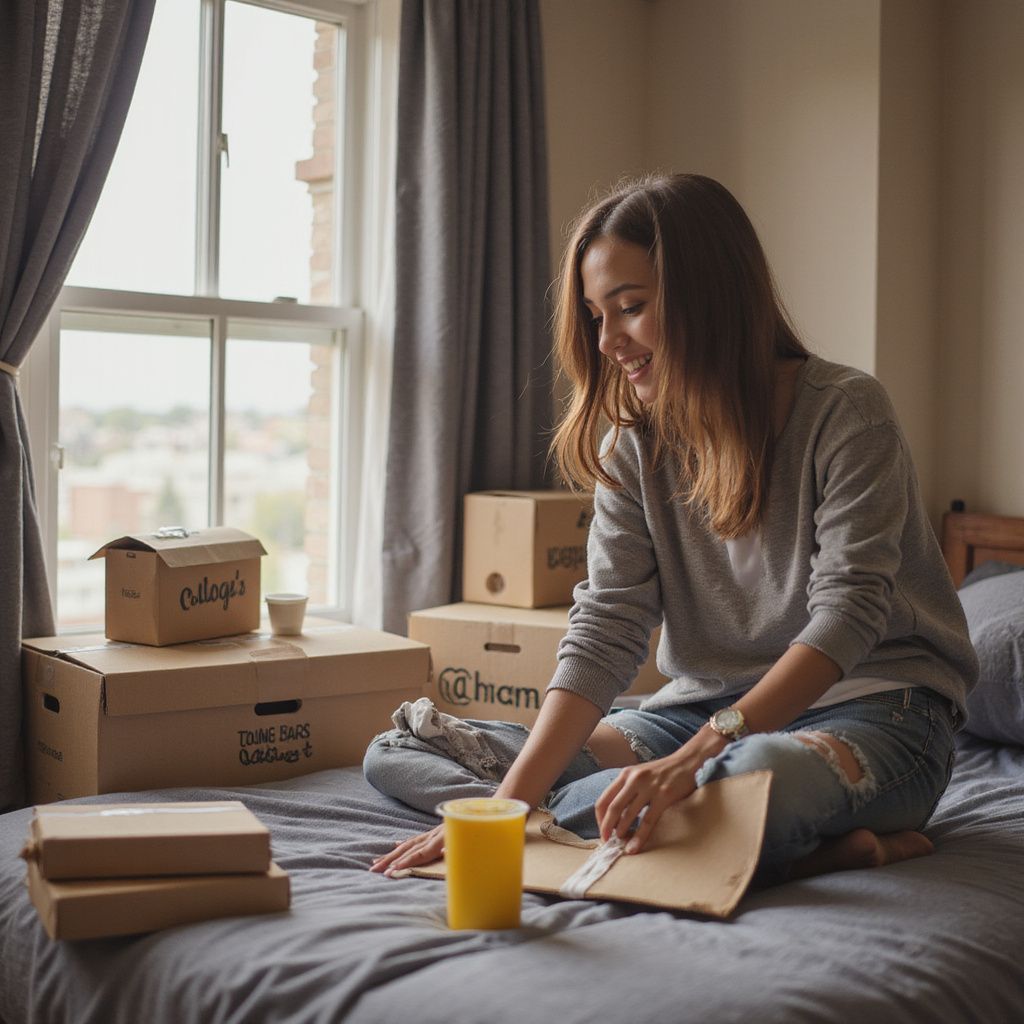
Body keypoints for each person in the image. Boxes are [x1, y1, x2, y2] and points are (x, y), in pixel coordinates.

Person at [366, 173, 978, 884]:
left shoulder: (846, 413)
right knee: (401, 749)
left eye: (629, 308)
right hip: (693, 714)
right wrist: (504, 809)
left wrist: (695, 761)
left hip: (871, 713)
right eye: (597, 315)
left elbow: (848, 614)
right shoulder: (633, 446)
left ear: (711, 296)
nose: (608, 342)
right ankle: (803, 849)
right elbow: (607, 626)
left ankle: (665, 816)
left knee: (751, 777)